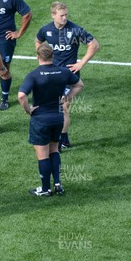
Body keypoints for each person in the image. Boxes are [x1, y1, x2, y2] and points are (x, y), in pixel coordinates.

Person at [18, 43, 84, 196]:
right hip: (58, 118)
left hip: (41, 120)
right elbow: (79, 84)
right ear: (53, 56)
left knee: (42, 155)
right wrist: (66, 98)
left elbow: (21, 95)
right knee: (54, 150)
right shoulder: (63, 72)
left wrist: (28, 110)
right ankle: (58, 184)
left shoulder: (34, 74)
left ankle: (46, 189)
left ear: (38, 57)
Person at [35, 1, 99, 150]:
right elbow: (38, 40)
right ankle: (57, 137)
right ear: (53, 15)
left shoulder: (75, 30)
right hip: (51, 75)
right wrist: (41, 58)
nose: (64, 18)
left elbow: (94, 44)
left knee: (63, 107)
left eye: (66, 15)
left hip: (68, 76)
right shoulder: (46, 30)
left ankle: (63, 140)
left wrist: (81, 63)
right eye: (61, 15)